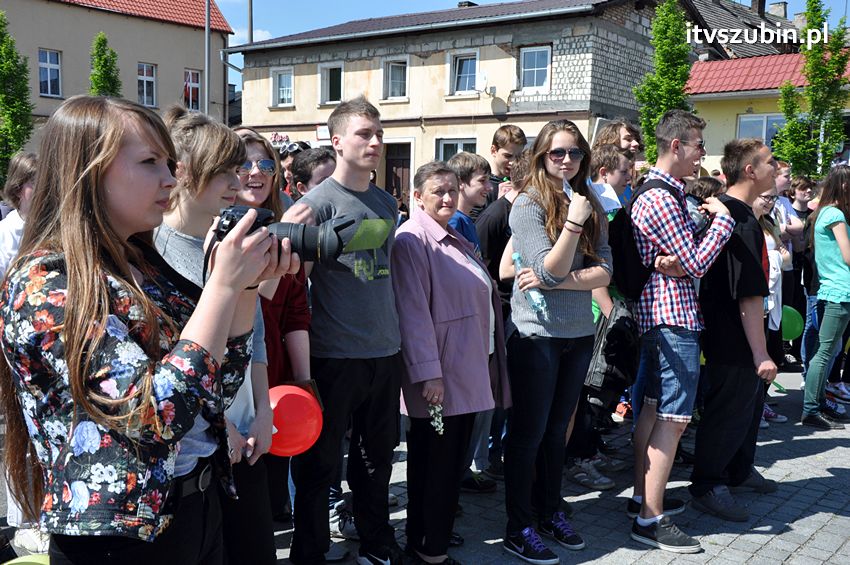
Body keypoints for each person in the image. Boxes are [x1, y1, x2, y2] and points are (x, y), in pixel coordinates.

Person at [0, 95, 298, 564]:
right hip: (117, 537)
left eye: (170, 162)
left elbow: (215, 385)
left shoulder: (140, 264)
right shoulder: (46, 282)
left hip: (195, 506)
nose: (170, 178)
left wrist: (244, 288)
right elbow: (155, 415)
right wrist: (222, 284)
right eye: (150, 162)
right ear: (88, 171)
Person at [282, 96, 404, 565]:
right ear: (336, 142)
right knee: (319, 467)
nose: (375, 142)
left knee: (378, 462)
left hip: (384, 351)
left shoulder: (386, 203)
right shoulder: (314, 205)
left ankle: (376, 541)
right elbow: (294, 291)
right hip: (334, 355)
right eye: (364, 134)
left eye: (378, 133)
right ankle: (309, 553)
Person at [155, 106, 277, 565]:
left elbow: (254, 338)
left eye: (239, 168)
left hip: (245, 430)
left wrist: (262, 412)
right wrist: (220, 424)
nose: (238, 180)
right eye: (225, 170)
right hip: (201, 446)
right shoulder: (156, 254)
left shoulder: (224, 242)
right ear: (185, 173)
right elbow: (171, 363)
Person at [499, 119, 611, 564]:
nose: (567, 161)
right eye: (557, 153)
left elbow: (604, 272)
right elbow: (545, 268)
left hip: (578, 334)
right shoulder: (527, 204)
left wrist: (558, 281)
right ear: (542, 156)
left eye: (575, 153)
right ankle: (518, 525)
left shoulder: (589, 202)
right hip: (536, 336)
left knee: (555, 435)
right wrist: (573, 227)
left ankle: (549, 512)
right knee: (527, 436)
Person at [391, 161, 509, 565]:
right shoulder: (413, 239)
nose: (446, 197)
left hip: (463, 368)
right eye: (437, 191)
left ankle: (429, 546)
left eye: (451, 191)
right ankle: (428, 552)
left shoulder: (450, 234)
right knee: (435, 468)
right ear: (417, 196)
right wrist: (429, 374)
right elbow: (413, 312)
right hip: (440, 377)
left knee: (445, 466)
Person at [629, 109, 734, 553]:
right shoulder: (661, 198)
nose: (701, 154)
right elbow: (694, 262)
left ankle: (642, 498)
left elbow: (683, 258)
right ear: (676, 146)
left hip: (667, 315)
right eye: (697, 145)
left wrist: (685, 251)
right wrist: (723, 223)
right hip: (671, 318)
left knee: (655, 411)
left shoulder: (669, 194)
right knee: (672, 419)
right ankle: (650, 520)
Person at [689, 139, 779, 523]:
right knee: (728, 411)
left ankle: (739, 470)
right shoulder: (739, 221)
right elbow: (748, 294)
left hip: (737, 331)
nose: (777, 167)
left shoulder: (739, 214)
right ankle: (709, 484)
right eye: (771, 162)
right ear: (750, 171)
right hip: (731, 334)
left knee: (747, 408)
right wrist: (761, 353)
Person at [800, 166, 850, 430]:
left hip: (832, 290)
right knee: (825, 353)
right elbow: (848, 256)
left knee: (827, 351)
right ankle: (811, 409)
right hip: (839, 291)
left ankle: (816, 405)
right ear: (843, 186)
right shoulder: (835, 214)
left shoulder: (823, 212)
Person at [470, 125, 526, 218]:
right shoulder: (481, 185)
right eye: (507, 156)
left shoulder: (520, 183)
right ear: (493, 151)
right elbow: (477, 227)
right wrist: (500, 205)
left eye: (518, 156)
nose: (513, 162)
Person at [0, 152, 37, 279]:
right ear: (17, 189)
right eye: (34, 182)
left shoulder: (59, 228)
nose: (44, 188)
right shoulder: (4, 233)